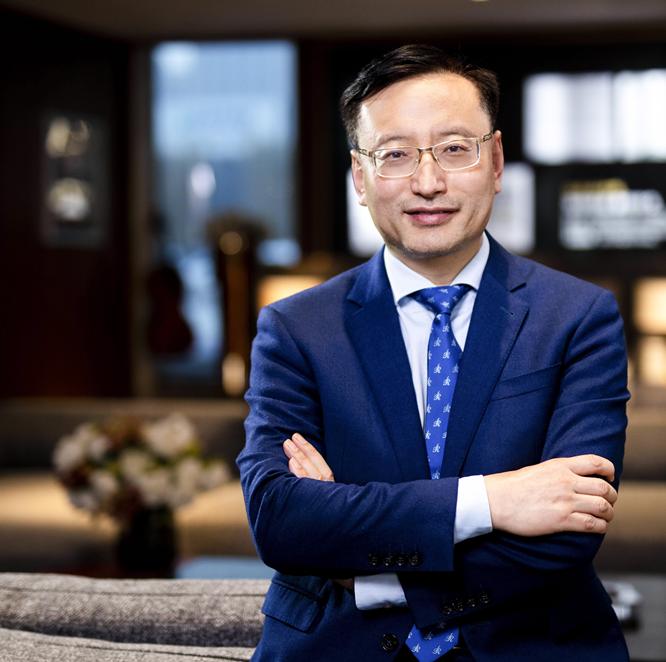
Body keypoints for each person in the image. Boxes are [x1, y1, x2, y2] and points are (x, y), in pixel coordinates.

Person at [238, 44, 630, 662]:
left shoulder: (579, 316)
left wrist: (370, 575)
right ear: (360, 178)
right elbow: (281, 519)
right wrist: (493, 501)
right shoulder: (295, 329)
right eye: (395, 154)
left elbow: (570, 528)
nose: (428, 183)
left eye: (454, 148)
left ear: (495, 162)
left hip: (532, 645)